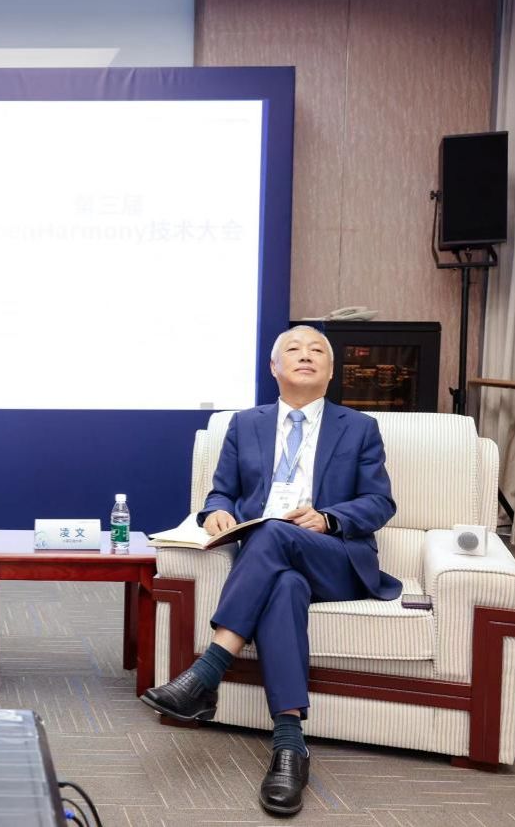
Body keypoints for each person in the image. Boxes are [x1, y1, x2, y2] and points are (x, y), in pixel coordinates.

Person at [140, 325, 400, 816]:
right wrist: (217, 511)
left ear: (331, 371)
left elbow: (379, 502)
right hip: (273, 564)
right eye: (293, 350)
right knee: (284, 586)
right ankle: (289, 745)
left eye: (317, 350)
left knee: (274, 533)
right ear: (274, 368)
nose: (306, 355)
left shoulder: (359, 427)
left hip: (334, 558)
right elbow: (221, 492)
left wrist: (329, 518)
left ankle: (208, 671)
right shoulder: (245, 425)